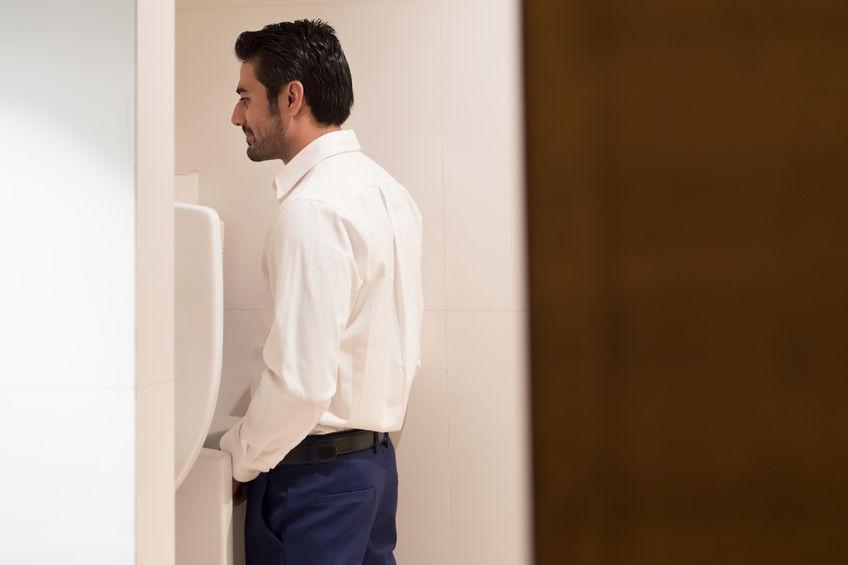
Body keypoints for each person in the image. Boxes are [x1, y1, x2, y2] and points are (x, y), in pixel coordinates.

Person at [218, 19, 423, 565]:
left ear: (292, 98)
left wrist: (239, 458)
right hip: (371, 471)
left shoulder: (313, 210)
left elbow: (301, 387)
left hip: (313, 484)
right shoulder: (389, 194)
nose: (236, 116)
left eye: (245, 97)